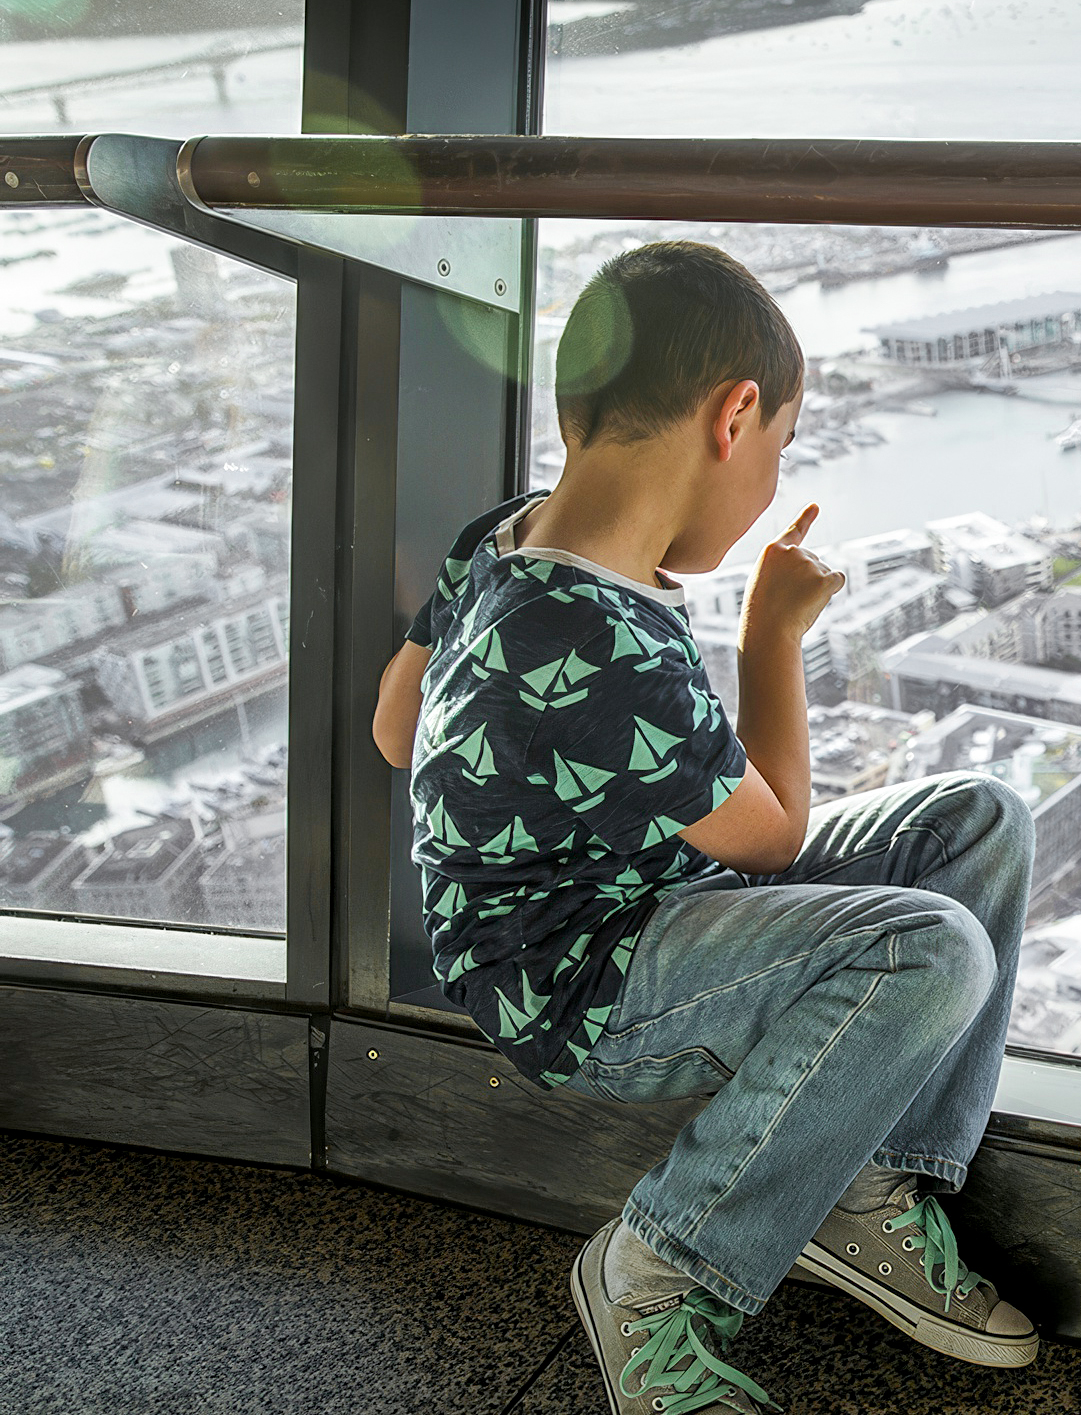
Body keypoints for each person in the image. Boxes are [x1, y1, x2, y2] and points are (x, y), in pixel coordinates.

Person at [372, 242, 1038, 1415]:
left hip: (627, 901)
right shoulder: (597, 637)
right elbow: (773, 840)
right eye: (781, 448)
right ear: (735, 416)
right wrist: (772, 635)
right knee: (931, 946)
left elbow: (392, 727)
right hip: (579, 981)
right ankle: (656, 1269)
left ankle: (864, 1188)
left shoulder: (508, 536)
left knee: (976, 824)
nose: (775, 477)